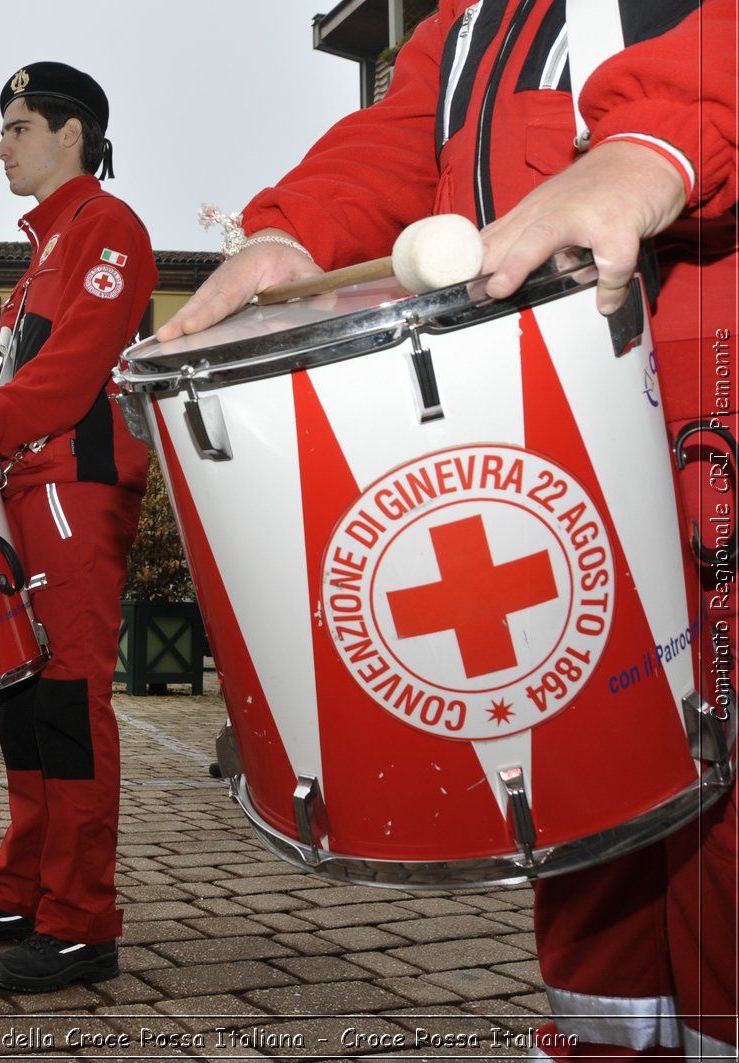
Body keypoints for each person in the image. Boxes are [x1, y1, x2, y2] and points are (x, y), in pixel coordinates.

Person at [158, 4, 736, 1058]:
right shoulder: (474, 20)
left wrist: (647, 151)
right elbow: (397, 138)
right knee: (585, 781)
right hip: (548, 414)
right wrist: (294, 232)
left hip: (708, 375)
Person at [0, 61, 158, 993]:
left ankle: (84, 922)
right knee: (24, 705)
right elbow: (13, 387)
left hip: (76, 495)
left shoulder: (109, 231)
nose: (0, 146)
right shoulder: (35, 262)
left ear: (71, 134)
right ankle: (22, 894)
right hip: (25, 494)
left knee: (71, 709)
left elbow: (72, 374)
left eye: (17, 126)